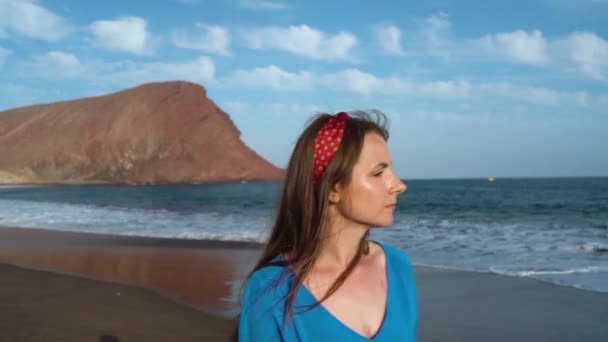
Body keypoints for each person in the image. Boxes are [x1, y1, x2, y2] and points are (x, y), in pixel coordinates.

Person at [233, 110, 417, 341]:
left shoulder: (397, 266)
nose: (399, 185)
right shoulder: (271, 289)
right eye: (379, 173)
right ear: (333, 189)